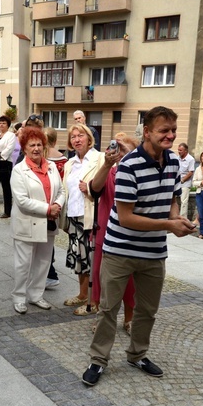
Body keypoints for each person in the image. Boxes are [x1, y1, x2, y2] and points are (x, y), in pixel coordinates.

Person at [82, 107, 195, 386]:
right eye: (163, 131)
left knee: (147, 309)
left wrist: (175, 216)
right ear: (147, 132)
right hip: (120, 250)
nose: (170, 135)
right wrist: (169, 226)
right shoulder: (128, 166)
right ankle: (98, 360)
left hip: (154, 253)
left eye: (173, 130)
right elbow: (126, 217)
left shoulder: (173, 162)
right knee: (108, 308)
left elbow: (173, 196)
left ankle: (137, 354)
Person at [10, 126, 64, 314]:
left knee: (43, 262)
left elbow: (61, 190)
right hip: (27, 222)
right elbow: (22, 201)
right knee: (23, 264)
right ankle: (18, 297)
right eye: (31, 145)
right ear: (24, 148)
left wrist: (57, 204)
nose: (36, 148)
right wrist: (49, 209)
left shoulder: (50, 167)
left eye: (39, 144)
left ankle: (36, 295)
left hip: (48, 223)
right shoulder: (19, 170)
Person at [87, 132, 138, 334]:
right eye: (116, 147)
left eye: (124, 148)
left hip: (132, 235)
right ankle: (102, 317)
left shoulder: (137, 173)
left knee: (131, 281)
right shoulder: (109, 171)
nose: (119, 152)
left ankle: (130, 318)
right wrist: (107, 164)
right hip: (105, 232)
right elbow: (93, 189)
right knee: (102, 278)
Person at [61, 123, 103, 316]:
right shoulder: (70, 163)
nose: (76, 140)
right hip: (74, 216)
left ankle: (94, 301)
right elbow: (65, 190)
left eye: (80, 136)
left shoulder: (100, 159)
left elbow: (107, 188)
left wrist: (91, 188)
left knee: (92, 260)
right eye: (73, 137)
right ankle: (82, 294)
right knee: (79, 259)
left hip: (92, 217)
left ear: (89, 138)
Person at [45, 127, 68, 289]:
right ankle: (48, 270)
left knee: (45, 238)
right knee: (49, 238)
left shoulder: (43, 161)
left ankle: (49, 272)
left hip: (46, 204)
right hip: (59, 203)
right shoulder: (66, 160)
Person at [176, 143, 195, 220]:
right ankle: (176, 216)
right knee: (176, 201)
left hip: (185, 183)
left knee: (184, 201)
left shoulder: (190, 159)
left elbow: (190, 172)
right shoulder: (178, 158)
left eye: (180, 150)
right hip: (177, 182)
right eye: (178, 150)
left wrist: (183, 180)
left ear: (186, 151)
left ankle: (183, 218)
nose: (179, 151)